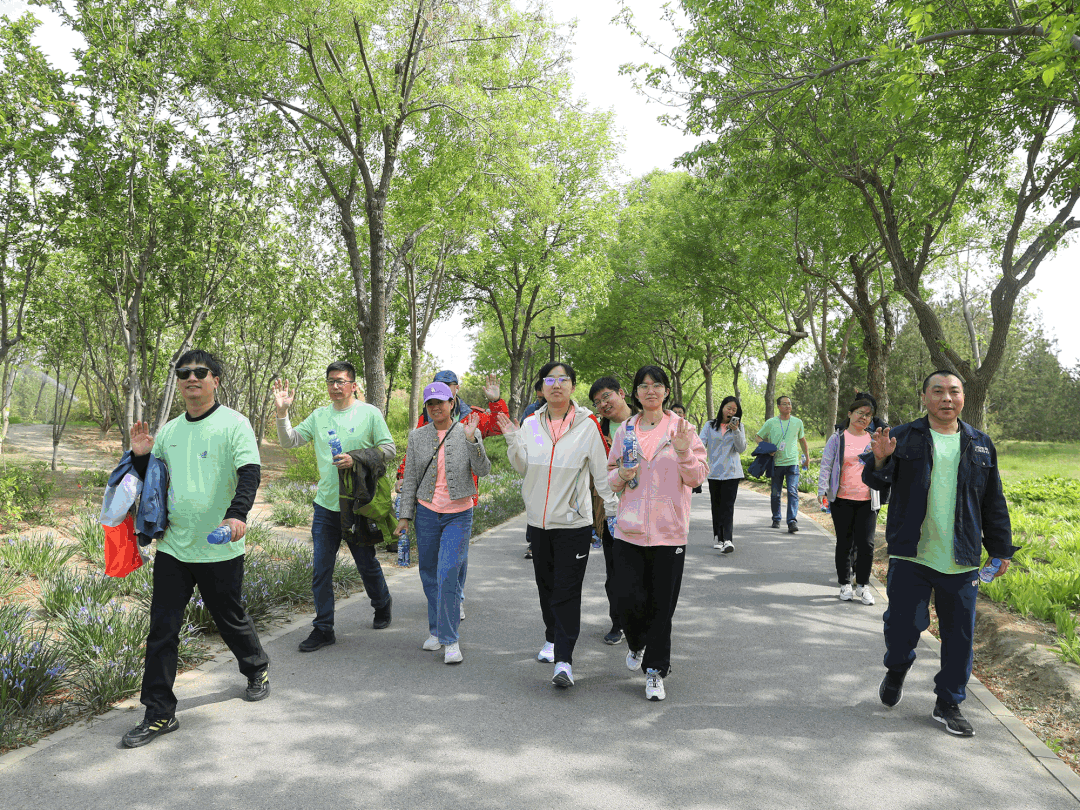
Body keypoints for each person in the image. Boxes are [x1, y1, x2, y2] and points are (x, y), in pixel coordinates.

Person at [121, 350, 268, 748]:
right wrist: (141, 458)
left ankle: (256, 666)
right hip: (174, 547)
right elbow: (154, 482)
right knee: (162, 630)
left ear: (215, 380)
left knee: (229, 617)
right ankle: (159, 713)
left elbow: (249, 474)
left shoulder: (235, 424)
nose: (191, 378)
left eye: (200, 372)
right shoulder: (169, 431)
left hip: (219, 545)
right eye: (184, 373)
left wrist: (237, 515)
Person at [864, 370, 1015, 737]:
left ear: (963, 398)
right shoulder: (902, 436)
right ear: (925, 397)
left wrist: (1000, 549)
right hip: (912, 554)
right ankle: (897, 669)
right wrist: (880, 460)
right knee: (902, 629)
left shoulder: (980, 443)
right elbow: (875, 482)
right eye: (938, 391)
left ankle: (948, 702)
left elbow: (993, 501)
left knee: (959, 638)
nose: (947, 398)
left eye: (954, 391)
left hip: (961, 559)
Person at [498, 361, 618, 689]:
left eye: (563, 379)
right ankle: (552, 637)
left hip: (573, 524)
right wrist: (512, 440)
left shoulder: (587, 425)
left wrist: (612, 512)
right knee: (546, 587)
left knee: (566, 591)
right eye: (550, 380)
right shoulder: (530, 423)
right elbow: (523, 468)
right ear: (541, 388)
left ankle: (564, 660)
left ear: (572, 387)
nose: (556, 385)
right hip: (538, 523)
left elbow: (601, 473)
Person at [273, 361, 396, 653]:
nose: (335, 386)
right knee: (321, 570)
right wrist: (282, 414)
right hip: (326, 507)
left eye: (341, 381)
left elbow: (389, 449)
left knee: (366, 564)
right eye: (331, 381)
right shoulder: (319, 416)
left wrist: (356, 458)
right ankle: (323, 628)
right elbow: (289, 441)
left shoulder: (369, 413)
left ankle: (382, 602)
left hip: (357, 505)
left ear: (353, 385)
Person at [607, 365, 708, 702]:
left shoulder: (682, 428)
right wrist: (622, 473)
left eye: (657, 385)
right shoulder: (625, 431)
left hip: (670, 533)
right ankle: (636, 642)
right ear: (635, 393)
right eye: (644, 385)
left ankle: (655, 671)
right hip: (629, 531)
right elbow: (611, 478)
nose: (650, 390)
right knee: (627, 599)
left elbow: (697, 478)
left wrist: (683, 450)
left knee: (661, 607)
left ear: (666, 391)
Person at [396, 382, 491, 664]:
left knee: (448, 571)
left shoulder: (467, 431)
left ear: (452, 403)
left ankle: (450, 640)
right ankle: (436, 631)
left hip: (458, 513)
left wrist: (473, 442)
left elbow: (484, 470)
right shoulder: (417, 436)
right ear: (426, 407)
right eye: (430, 403)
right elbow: (410, 478)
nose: (436, 407)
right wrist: (404, 516)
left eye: (441, 402)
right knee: (428, 573)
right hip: (426, 512)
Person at [817, 397, 880, 604]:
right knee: (845, 542)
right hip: (842, 499)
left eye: (868, 415)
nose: (864, 417)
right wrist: (822, 490)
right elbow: (826, 464)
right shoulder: (838, 438)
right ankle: (845, 584)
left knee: (867, 544)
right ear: (850, 414)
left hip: (868, 499)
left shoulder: (873, 438)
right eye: (860, 413)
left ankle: (862, 585)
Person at [589, 376, 636, 645]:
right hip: (610, 511)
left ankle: (641, 621)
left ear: (621, 393)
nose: (603, 404)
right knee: (614, 572)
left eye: (606, 396)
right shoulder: (598, 432)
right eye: (597, 402)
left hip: (644, 508)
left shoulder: (644, 423)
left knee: (642, 571)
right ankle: (618, 623)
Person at [754, 395, 810, 533]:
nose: (788, 406)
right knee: (775, 493)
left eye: (789, 403)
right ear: (778, 406)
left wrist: (807, 458)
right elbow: (758, 437)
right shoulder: (771, 422)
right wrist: (767, 449)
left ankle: (792, 521)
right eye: (784, 404)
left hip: (793, 463)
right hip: (776, 463)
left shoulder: (797, 422)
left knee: (792, 491)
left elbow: (802, 440)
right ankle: (776, 518)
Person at [698, 396, 746, 553]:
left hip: (732, 473)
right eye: (728, 408)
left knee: (728, 506)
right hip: (714, 472)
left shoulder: (739, 427)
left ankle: (727, 539)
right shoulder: (710, 425)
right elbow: (700, 443)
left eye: (734, 410)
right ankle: (718, 537)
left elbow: (741, 448)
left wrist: (736, 430)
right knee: (716, 505)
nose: (731, 412)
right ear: (722, 408)